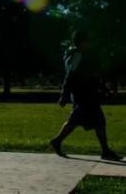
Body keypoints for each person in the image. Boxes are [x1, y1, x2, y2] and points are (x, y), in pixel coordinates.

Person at [49, 30, 122, 161]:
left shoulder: (83, 55)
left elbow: (92, 76)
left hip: (88, 94)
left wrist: (103, 88)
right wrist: (64, 95)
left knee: (86, 121)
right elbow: (69, 76)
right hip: (82, 95)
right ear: (82, 42)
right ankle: (105, 151)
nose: (90, 43)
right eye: (88, 41)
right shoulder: (77, 56)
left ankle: (57, 141)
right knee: (95, 121)